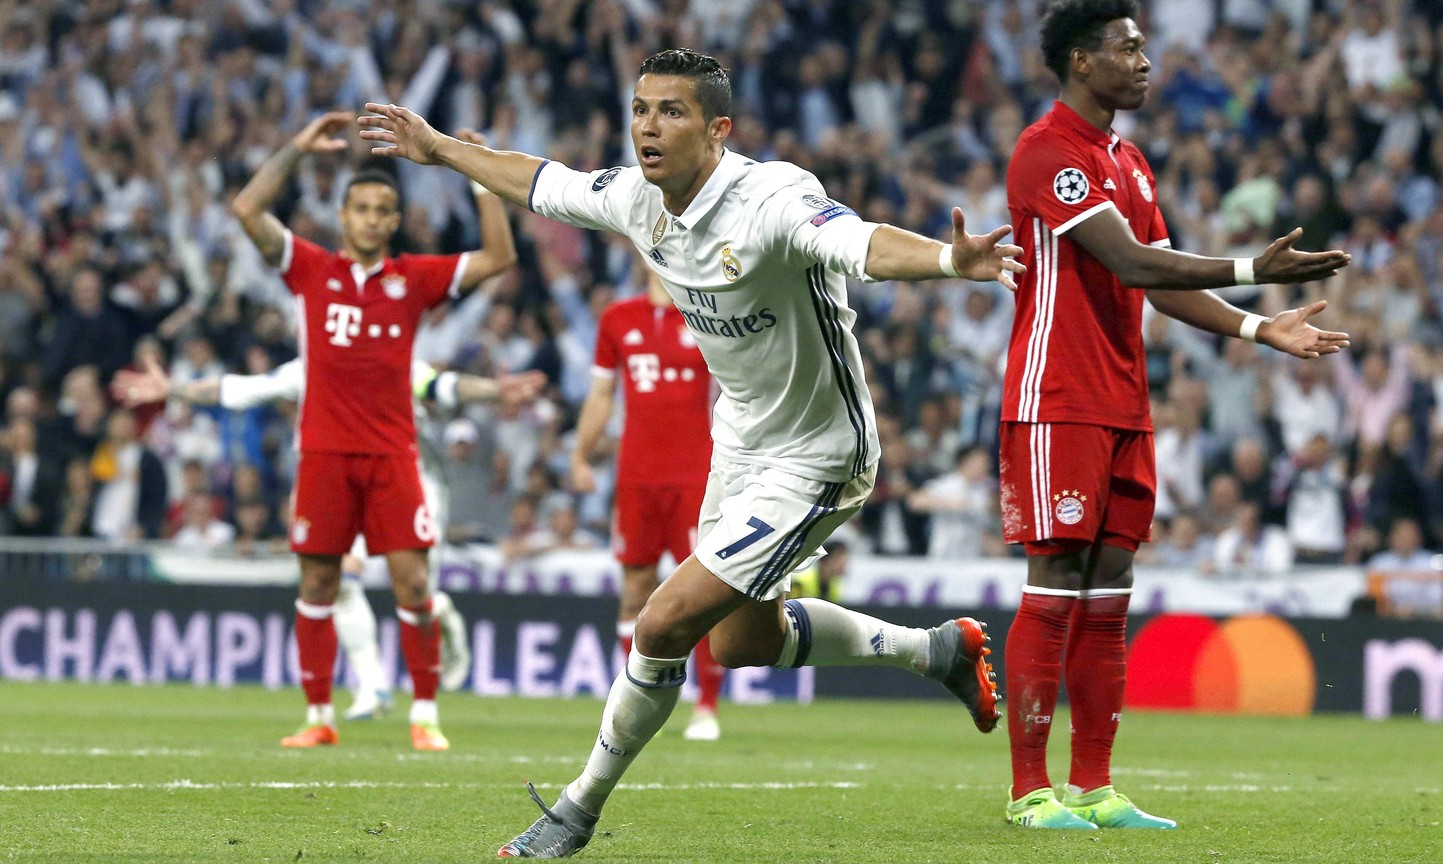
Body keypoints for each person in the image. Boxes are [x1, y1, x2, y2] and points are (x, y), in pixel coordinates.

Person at [359, 47, 1021, 858]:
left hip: (820, 452)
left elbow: (862, 244)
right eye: (640, 109)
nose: (648, 127)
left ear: (718, 131)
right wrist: (437, 147)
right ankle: (937, 651)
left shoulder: (772, 198)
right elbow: (540, 180)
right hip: (740, 440)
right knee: (740, 643)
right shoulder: (638, 199)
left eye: (670, 112)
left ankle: (576, 810)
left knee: (662, 621)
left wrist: (951, 259)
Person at [999, 0, 1351, 831]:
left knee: (1110, 591)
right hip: (1058, 397)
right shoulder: (1049, 151)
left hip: (1124, 399)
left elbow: (1161, 281)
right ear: (1084, 62)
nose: (1145, 60)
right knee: (1055, 583)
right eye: (1128, 47)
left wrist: (1262, 325)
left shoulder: (1132, 162)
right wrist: (1247, 265)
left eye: (1144, 45)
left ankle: (1094, 786)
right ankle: (1028, 793)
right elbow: (1128, 258)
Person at [229, 112, 515, 750]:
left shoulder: (412, 279)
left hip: (392, 456)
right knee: (318, 585)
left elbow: (500, 257)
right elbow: (247, 208)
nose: (369, 217)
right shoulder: (310, 270)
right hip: (325, 455)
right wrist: (296, 150)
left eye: (381, 208)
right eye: (358, 206)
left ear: (393, 220)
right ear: (344, 215)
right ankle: (317, 718)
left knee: (415, 585)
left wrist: (478, 178)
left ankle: (426, 717)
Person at [112, 352, 545, 720]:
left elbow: (444, 386)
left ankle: (444, 615)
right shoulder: (311, 364)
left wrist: (494, 391)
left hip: (414, 479)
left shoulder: (391, 354)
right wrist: (175, 390)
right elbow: (238, 390)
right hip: (348, 480)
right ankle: (373, 685)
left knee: (416, 590)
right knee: (342, 579)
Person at [569, 269, 727, 742]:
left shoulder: (708, 311)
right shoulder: (618, 318)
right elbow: (601, 394)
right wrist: (579, 454)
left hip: (695, 473)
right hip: (637, 474)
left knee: (703, 589)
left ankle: (707, 705)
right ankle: (633, 699)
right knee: (635, 585)